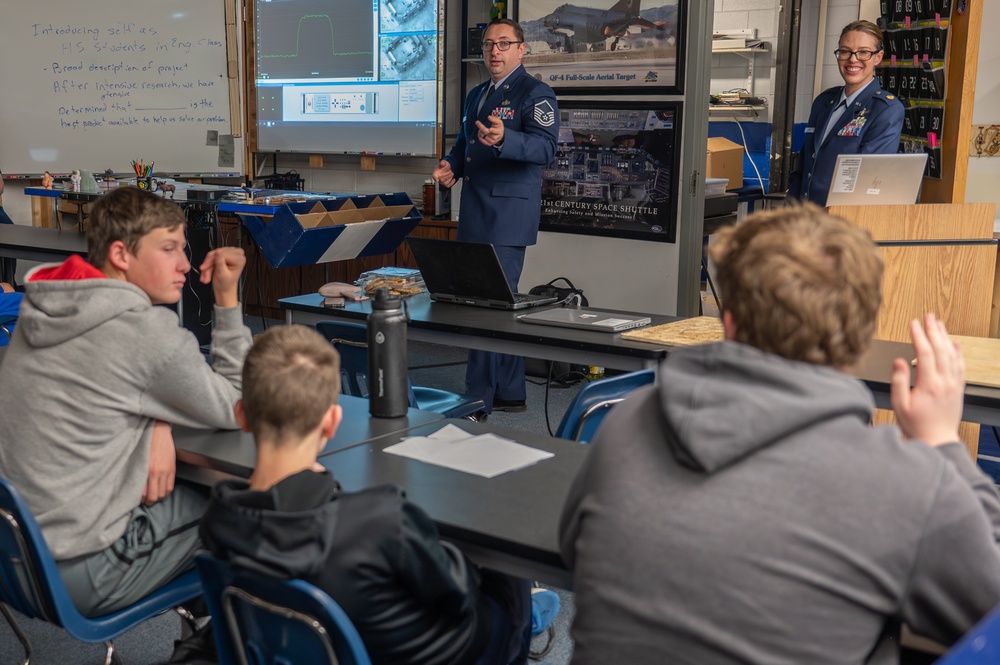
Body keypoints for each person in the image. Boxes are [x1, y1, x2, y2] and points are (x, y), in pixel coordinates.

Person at [559, 203, 1000, 664]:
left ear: (728, 324)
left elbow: (574, 550)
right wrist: (943, 443)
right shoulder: (910, 484)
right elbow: (989, 609)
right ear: (862, 334)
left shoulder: (630, 418)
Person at [199, 325, 559, 665]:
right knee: (508, 573)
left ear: (242, 416)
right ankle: (533, 609)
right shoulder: (382, 519)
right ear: (332, 421)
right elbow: (459, 592)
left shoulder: (218, 518)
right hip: (439, 650)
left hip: (317, 644)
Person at [0, 185, 253, 617]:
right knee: (251, 504)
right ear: (121, 254)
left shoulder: (47, 308)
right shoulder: (143, 331)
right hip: (84, 571)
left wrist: (157, 420)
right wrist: (227, 300)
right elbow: (238, 407)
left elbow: (108, 384)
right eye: (169, 248)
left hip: (16, 560)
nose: (186, 265)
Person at [432, 18, 559, 418]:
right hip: (474, 210)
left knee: (485, 306)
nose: (495, 51)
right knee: (493, 304)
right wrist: (451, 166)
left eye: (504, 44)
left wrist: (507, 138)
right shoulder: (476, 94)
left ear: (522, 49)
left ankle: (478, 397)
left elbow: (546, 149)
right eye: (489, 44)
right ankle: (509, 391)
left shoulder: (535, 93)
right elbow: (462, 145)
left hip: (507, 213)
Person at [787, 20, 904, 206]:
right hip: (804, 220)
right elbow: (802, 168)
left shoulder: (885, 109)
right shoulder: (823, 102)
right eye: (845, 51)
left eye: (863, 52)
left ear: (878, 57)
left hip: (841, 223)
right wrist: (788, 214)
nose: (853, 59)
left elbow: (868, 180)